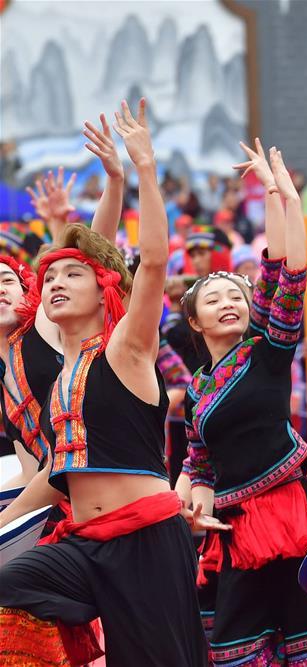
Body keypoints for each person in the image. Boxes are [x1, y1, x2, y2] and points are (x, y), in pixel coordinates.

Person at [0, 99, 207, 666]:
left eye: (73, 274)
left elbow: (153, 263)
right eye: (50, 276)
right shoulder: (59, 375)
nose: (56, 282)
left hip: (144, 540)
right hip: (82, 544)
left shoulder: (126, 349)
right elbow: (50, 471)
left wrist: (142, 169)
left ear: (105, 289)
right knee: (8, 586)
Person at [181, 141, 307, 665]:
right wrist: (190, 508)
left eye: (237, 295)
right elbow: (199, 463)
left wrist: (281, 196)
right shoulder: (197, 389)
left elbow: (288, 272)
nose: (228, 303)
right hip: (233, 528)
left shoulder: (269, 349)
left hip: (293, 512)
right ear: (194, 322)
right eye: (214, 299)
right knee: (235, 650)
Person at [0, 116, 125, 493]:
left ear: (29, 292)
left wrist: (115, 181)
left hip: (107, 484)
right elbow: (32, 471)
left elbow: (95, 253)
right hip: (60, 496)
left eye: (6, 281)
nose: (0, 291)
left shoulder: (45, 326)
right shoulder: (3, 381)